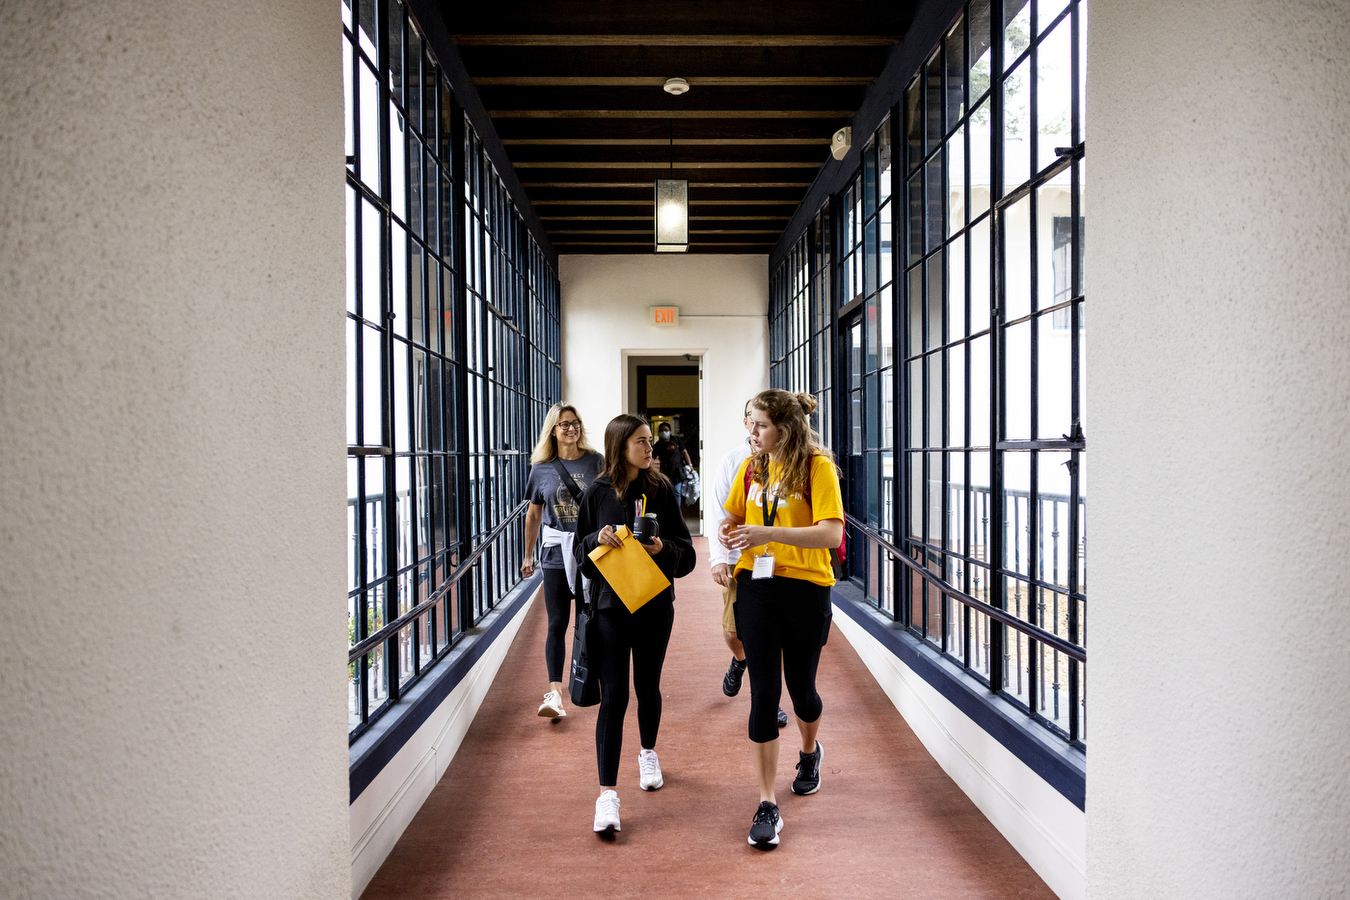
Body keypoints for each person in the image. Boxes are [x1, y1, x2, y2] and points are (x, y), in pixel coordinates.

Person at [719, 390, 844, 850]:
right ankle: (767, 803)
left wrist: (768, 531)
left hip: (807, 588)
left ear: (785, 429)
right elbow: (734, 513)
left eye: (760, 426)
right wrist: (727, 530)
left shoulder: (817, 468)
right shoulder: (753, 467)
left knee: (802, 693)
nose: (750, 434)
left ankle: (810, 752)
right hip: (757, 586)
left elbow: (831, 533)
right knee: (764, 692)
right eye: (749, 424)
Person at [575, 415, 696, 835]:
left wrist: (662, 549)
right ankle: (607, 795)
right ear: (619, 446)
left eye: (650, 441)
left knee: (648, 685)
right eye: (642, 443)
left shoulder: (661, 489)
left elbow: (687, 556)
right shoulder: (596, 493)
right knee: (615, 696)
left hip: (654, 605)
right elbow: (581, 554)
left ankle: (648, 752)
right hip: (610, 607)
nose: (651, 449)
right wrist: (596, 541)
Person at [521, 404, 604, 719]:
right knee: (556, 622)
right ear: (553, 431)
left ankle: (592, 679)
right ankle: (555, 693)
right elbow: (534, 514)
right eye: (565, 424)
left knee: (591, 620)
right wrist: (528, 555)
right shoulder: (541, 467)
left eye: (576, 423)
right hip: (555, 553)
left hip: (590, 552)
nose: (572, 428)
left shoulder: (596, 461)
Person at [711, 399, 787, 728]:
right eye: (752, 421)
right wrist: (718, 559)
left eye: (764, 423)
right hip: (740, 562)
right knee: (733, 632)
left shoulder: (790, 462)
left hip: (780, 564)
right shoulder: (734, 462)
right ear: (746, 423)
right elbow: (719, 514)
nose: (756, 429)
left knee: (769, 637)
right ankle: (739, 659)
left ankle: (770, 702)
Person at [652, 422, 692, 506]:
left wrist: (690, 464)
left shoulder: (676, 440)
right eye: (661, 430)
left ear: (670, 431)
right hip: (665, 473)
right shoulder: (658, 445)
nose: (664, 432)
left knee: (677, 492)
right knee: (667, 492)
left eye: (666, 430)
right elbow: (652, 457)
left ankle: (677, 513)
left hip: (677, 471)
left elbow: (684, 452)